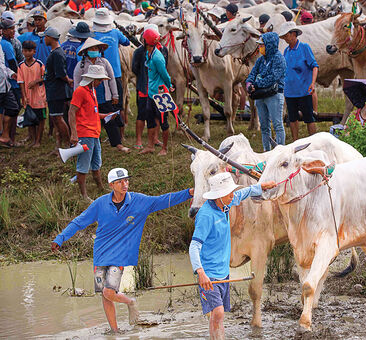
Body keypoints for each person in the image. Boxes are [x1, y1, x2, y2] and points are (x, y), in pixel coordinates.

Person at [52, 167, 194, 334]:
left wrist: (189, 193)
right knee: (105, 295)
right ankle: (115, 330)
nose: (125, 184)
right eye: (120, 182)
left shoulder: (139, 201)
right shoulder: (100, 203)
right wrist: (60, 238)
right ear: (111, 185)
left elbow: (162, 200)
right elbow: (79, 222)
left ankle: (130, 302)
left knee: (108, 291)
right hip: (100, 254)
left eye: (126, 180)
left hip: (120, 255)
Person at [189, 172, 276, 340]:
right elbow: (194, 246)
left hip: (223, 272)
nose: (232, 195)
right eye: (229, 193)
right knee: (218, 313)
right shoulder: (206, 216)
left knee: (217, 315)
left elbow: (241, 194)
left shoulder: (226, 204)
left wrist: (260, 187)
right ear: (219, 196)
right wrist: (200, 272)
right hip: (209, 275)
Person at [74, 38, 130, 153]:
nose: (94, 50)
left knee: (110, 120)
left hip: (104, 96)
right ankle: (91, 143)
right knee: (90, 120)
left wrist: (115, 95)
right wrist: (77, 99)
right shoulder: (81, 65)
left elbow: (112, 79)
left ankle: (117, 143)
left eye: (96, 48)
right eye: (91, 48)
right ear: (86, 51)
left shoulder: (104, 62)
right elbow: (77, 82)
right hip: (88, 97)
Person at [69, 64, 111, 200]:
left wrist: (105, 116)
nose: (100, 83)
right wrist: (74, 133)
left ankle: (100, 188)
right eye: (99, 80)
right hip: (85, 133)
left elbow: (91, 113)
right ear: (93, 79)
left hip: (94, 133)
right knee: (83, 165)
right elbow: (72, 111)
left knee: (96, 163)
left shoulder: (91, 91)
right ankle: (84, 195)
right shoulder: (80, 91)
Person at [92, 8, 130, 136]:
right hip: (115, 74)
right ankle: (121, 134)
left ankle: (102, 132)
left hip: (97, 75)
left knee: (101, 104)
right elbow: (127, 42)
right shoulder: (115, 33)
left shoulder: (92, 35)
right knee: (118, 103)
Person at [246, 32, 286, 152]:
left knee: (277, 125)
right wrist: (249, 84)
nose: (260, 47)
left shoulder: (279, 59)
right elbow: (252, 74)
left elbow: (273, 77)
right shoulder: (260, 60)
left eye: (262, 45)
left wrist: (256, 84)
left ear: (269, 45)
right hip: (260, 95)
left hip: (274, 95)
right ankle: (266, 150)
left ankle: (280, 152)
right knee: (264, 126)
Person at [132, 24, 169, 151]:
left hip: (158, 89)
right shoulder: (140, 52)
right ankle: (142, 141)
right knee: (144, 114)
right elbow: (135, 69)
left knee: (160, 117)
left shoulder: (161, 51)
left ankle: (157, 142)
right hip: (145, 88)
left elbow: (164, 71)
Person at [279, 21, 319, 141]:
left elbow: (314, 66)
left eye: (287, 35)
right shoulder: (286, 51)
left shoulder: (304, 48)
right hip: (290, 91)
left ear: (293, 34)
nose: (285, 38)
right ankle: (295, 141)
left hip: (304, 91)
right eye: (284, 36)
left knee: (309, 117)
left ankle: (313, 141)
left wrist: (312, 83)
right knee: (292, 118)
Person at [141, 28, 172, 156]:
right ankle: (150, 146)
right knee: (150, 119)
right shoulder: (149, 53)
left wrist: (169, 86)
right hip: (151, 93)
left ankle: (164, 148)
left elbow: (165, 75)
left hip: (161, 94)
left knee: (164, 121)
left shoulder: (157, 57)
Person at [44, 27, 73, 148]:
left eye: (45, 37)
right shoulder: (56, 52)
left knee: (58, 117)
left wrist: (68, 80)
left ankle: (67, 144)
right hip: (54, 89)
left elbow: (60, 73)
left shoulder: (57, 54)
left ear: (50, 38)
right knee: (56, 118)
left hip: (56, 90)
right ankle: (59, 145)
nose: (44, 39)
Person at [18, 40, 47, 147]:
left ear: (34, 51)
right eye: (25, 51)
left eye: (29, 51)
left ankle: (38, 140)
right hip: (28, 96)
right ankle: (33, 138)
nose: (27, 53)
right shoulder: (21, 66)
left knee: (40, 118)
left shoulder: (39, 64)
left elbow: (45, 77)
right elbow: (21, 82)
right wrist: (24, 96)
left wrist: (36, 81)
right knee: (30, 117)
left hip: (39, 96)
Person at [0, 21, 20, 146]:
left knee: (10, 108)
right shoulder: (5, 44)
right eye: (10, 28)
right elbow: (12, 61)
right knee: (12, 108)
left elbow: (3, 66)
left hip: (5, 82)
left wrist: (11, 73)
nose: (13, 31)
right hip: (4, 84)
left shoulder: (2, 45)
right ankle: (6, 136)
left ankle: (5, 135)